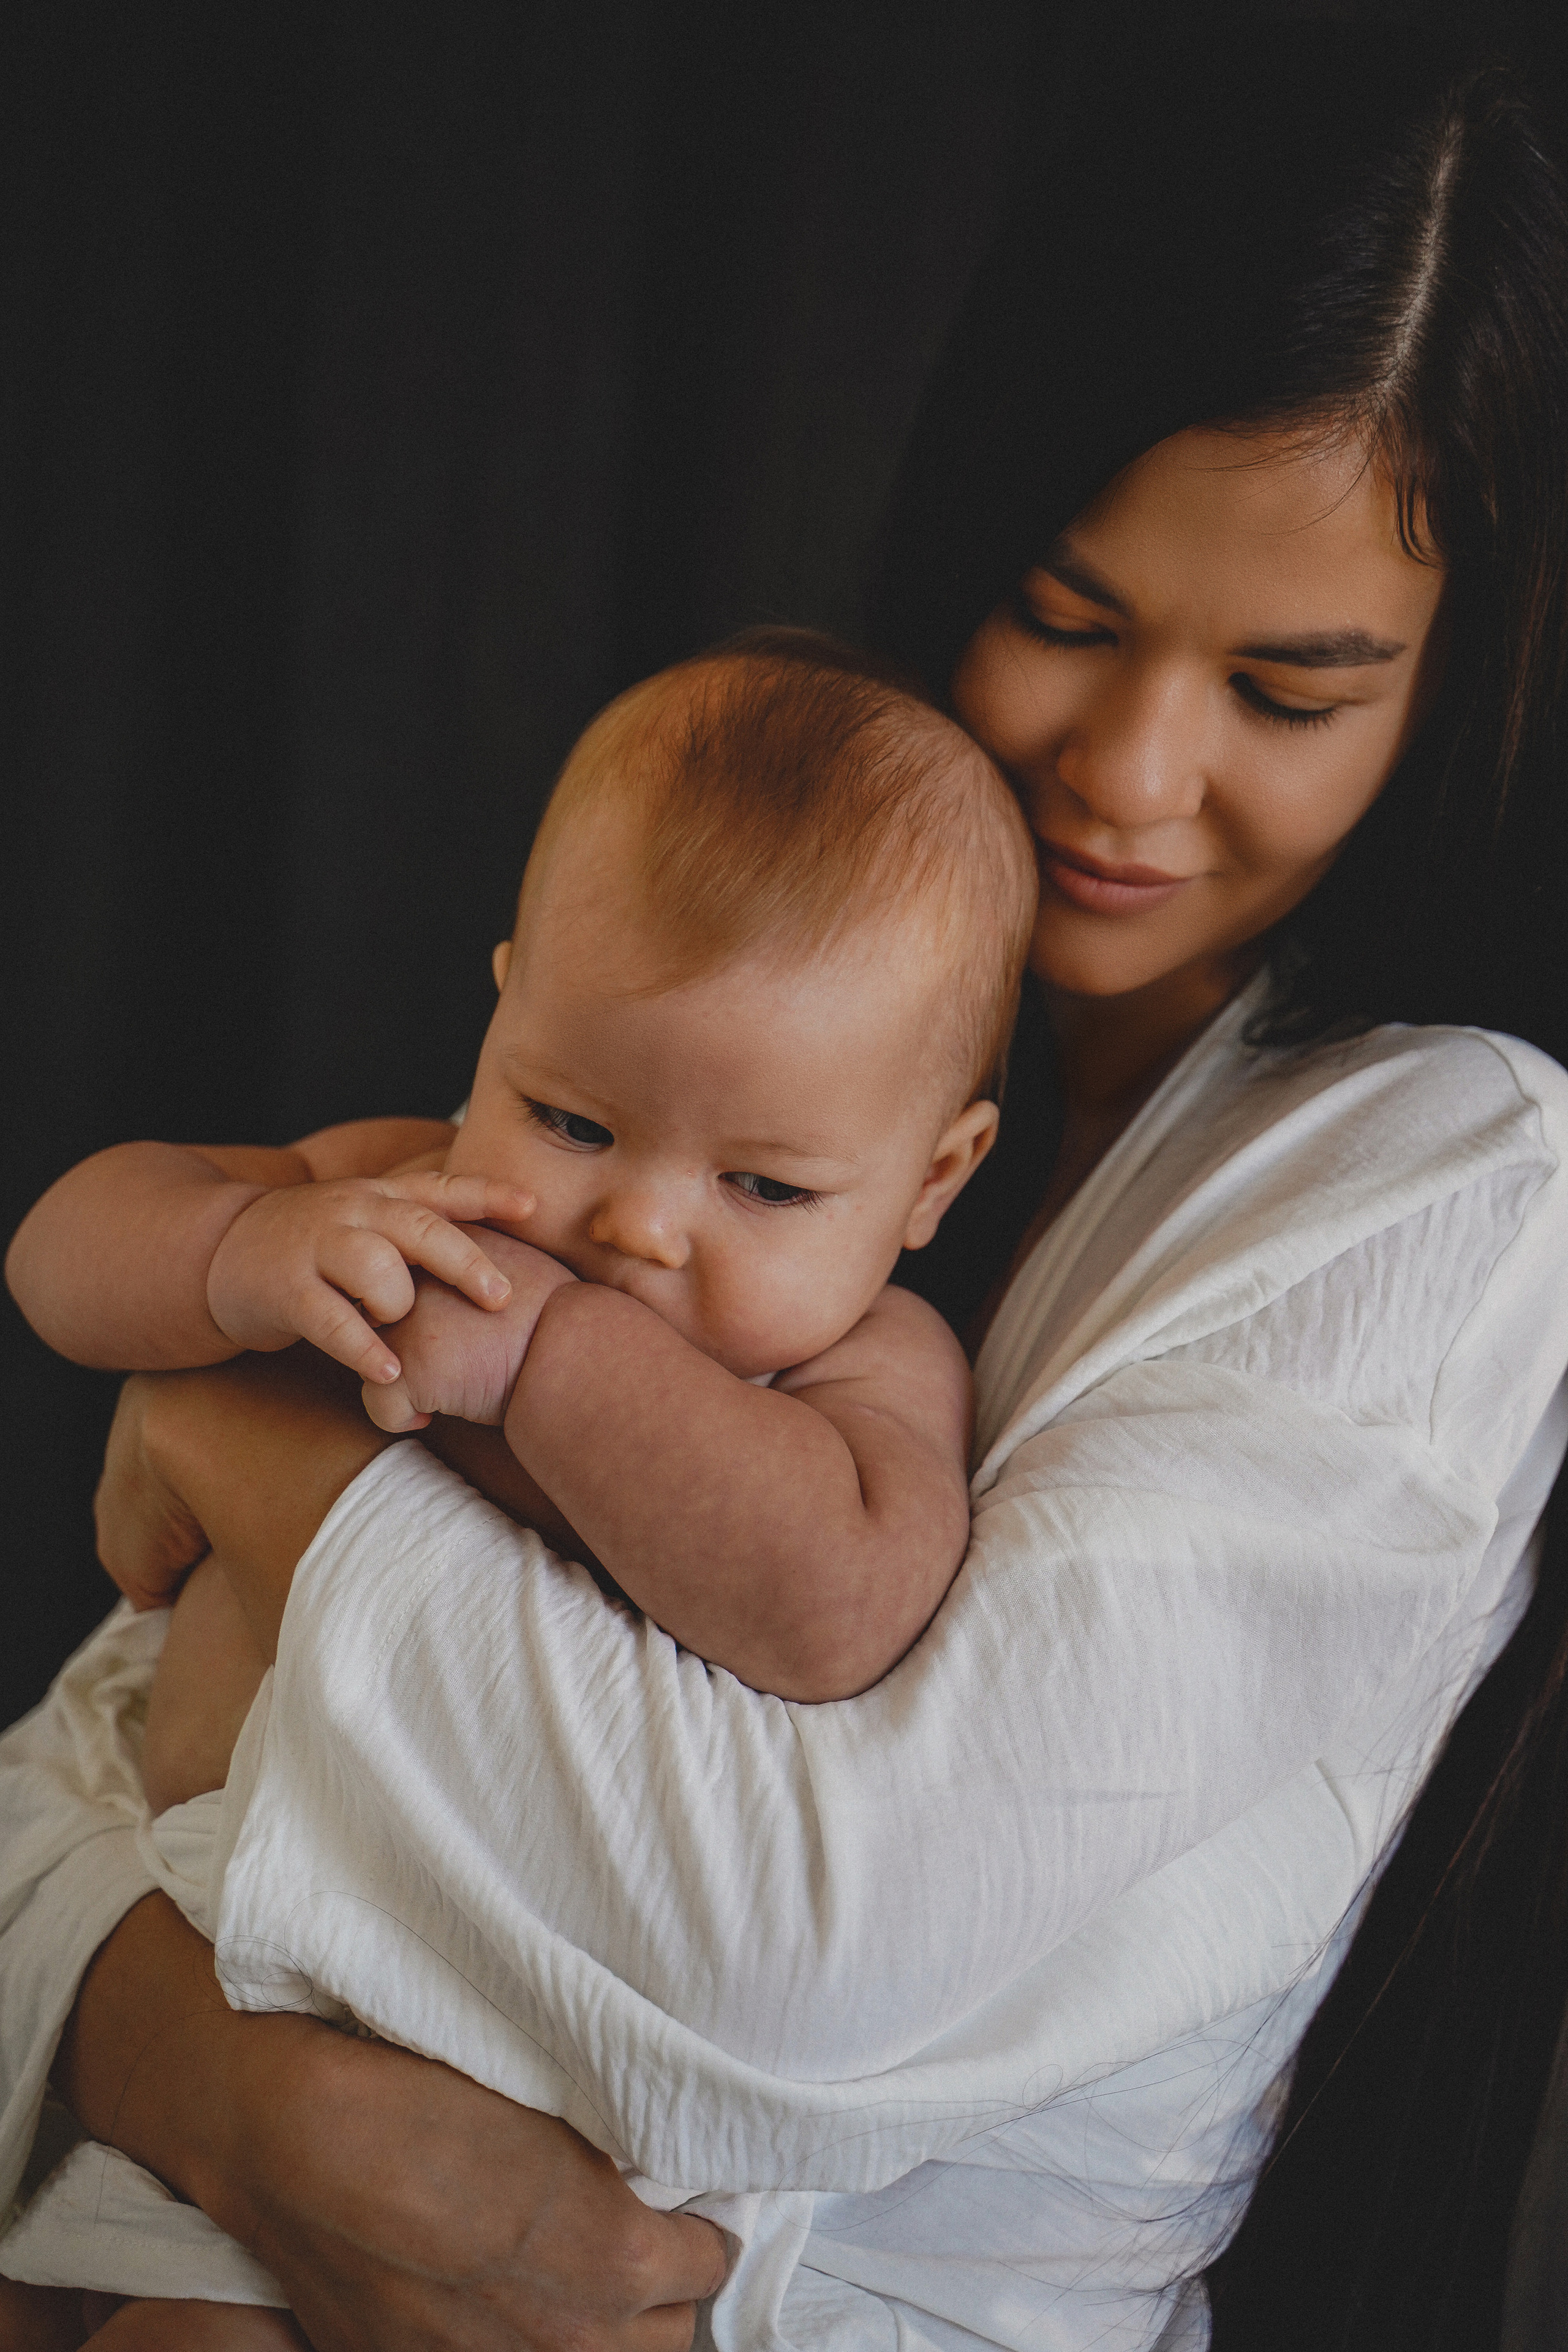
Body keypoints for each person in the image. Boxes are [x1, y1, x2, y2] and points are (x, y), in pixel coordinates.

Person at [2, 26, 1566, 2352]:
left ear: (1455, 691)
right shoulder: (766, 974)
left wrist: (249, 1440)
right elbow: (63, 1751)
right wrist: (173, 2064)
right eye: (1064, 612)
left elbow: (803, 1935)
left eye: (1291, 689)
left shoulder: (1438, 1181)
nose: (1131, 777)